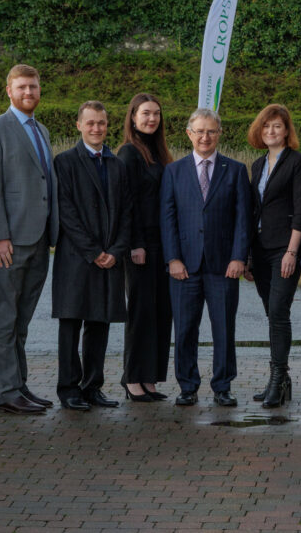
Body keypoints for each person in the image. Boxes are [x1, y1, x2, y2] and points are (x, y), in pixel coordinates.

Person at [0, 63, 59, 415]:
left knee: (21, 320)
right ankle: (7, 392)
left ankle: (19, 384)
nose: (28, 92)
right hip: (7, 242)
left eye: (33, 87)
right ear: (8, 91)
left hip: (38, 240)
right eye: (22, 87)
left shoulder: (41, 130)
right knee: (4, 318)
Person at [160, 108, 251, 407]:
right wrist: (172, 259)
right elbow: (167, 219)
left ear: (220, 133)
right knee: (185, 329)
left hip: (223, 266)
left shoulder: (235, 170)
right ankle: (187, 386)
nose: (205, 137)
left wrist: (239, 257)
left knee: (223, 329)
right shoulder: (174, 171)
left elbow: (243, 219)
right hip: (184, 266)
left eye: (211, 131)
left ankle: (222, 386)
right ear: (189, 134)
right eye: (199, 131)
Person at [51, 101, 132, 411]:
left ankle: (92, 386)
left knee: (100, 323)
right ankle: (68, 388)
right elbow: (66, 212)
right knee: (71, 324)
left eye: (101, 123)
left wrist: (116, 251)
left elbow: (127, 212)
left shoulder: (117, 164)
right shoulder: (65, 162)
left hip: (110, 258)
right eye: (90, 123)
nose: (96, 128)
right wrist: (93, 251)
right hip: (77, 257)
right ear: (79, 125)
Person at [245, 104, 301, 408]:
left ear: (286, 131)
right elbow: (252, 212)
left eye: (277, 126)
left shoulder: (298, 162)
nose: (271, 131)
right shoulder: (258, 164)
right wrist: (248, 255)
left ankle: (277, 378)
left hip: (284, 249)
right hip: (259, 250)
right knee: (271, 314)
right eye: (266, 126)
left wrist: (292, 251)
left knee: (279, 311)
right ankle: (281, 379)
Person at [117, 93, 174, 402]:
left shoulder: (160, 152)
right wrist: (135, 243)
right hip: (140, 245)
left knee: (161, 311)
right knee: (140, 312)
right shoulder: (128, 153)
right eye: (146, 113)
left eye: (156, 114)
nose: (152, 119)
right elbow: (128, 203)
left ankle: (150, 377)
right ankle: (132, 378)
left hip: (162, 245)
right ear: (133, 117)